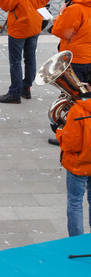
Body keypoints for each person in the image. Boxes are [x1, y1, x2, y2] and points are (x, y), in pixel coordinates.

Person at [0, 0, 51, 105]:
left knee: (15, 61)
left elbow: (3, 4)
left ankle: (14, 92)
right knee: (30, 58)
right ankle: (26, 88)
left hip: (18, 28)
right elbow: (46, 0)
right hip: (35, 26)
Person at [56, 86, 91, 236]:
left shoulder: (77, 110)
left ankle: (76, 240)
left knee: (75, 203)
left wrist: (59, 130)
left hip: (79, 164)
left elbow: (71, 144)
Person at [52, 0, 91, 85]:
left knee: (74, 94)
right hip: (88, 56)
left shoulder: (76, 9)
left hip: (76, 58)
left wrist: (61, 14)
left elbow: (60, 32)